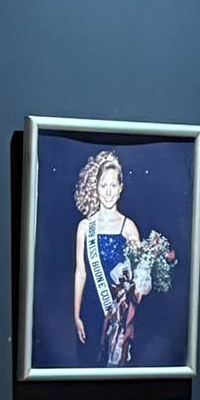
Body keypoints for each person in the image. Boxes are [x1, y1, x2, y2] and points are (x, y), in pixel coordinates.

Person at [70, 149, 144, 366]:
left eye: (113, 185)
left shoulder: (128, 227)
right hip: (90, 310)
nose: (108, 192)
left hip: (119, 314)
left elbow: (139, 278)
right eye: (103, 185)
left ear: (121, 188)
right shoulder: (85, 227)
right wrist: (76, 315)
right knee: (88, 365)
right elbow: (80, 273)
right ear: (96, 188)